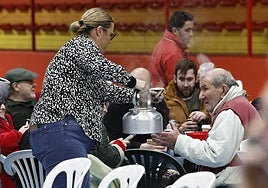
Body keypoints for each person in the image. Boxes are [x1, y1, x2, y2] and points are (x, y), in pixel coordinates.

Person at [28, 7, 146, 188]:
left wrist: (139, 96)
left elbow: (106, 89)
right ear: (99, 31)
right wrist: (133, 82)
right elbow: (102, 67)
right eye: (111, 35)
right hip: (61, 131)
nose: (109, 42)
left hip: (58, 132)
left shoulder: (82, 60)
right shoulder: (81, 46)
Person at [152, 68, 262, 186]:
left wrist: (178, 141)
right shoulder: (237, 104)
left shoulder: (230, 112)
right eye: (200, 89)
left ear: (223, 90)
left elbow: (216, 155)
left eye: (205, 89)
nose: (200, 96)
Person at [104, 67, 169, 151]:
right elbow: (113, 138)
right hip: (128, 152)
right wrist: (140, 146)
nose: (138, 88)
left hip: (156, 150)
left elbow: (163, 130)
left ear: (150, 85)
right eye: (134, 84)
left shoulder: (158, 103)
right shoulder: (116, 106)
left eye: (143, 85)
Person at [149, 10, 194, 88]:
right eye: (187, 30)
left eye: (192, 29)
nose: (191, 34)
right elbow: (178, 87)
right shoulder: (173, 53)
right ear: (175, 31)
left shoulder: (165, 43)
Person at [164, 58, 210, 130]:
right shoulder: (166, 98)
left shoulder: (206, 94)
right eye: (181, 79)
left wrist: (205, 115)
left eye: (189, 79)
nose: (185, 84)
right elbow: (163, 127)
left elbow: (218, 114)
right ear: (175, 79)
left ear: (197, 78)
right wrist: (181, 128)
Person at [0, 78, 29, 188]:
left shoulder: (7, 118)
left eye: (3, 103)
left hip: (16, 167)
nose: (2, 107)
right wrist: (20, 134)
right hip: (6, 173)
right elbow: (2, 142)